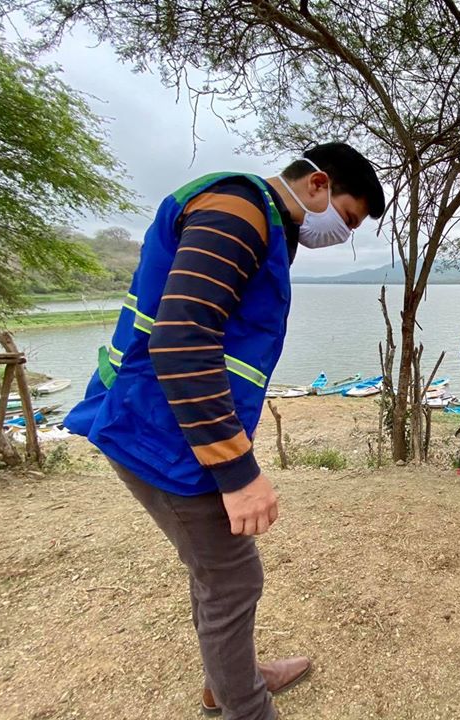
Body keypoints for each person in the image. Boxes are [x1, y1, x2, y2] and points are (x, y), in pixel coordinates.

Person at [65, 143, 385, 720]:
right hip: (162, 432)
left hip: (164, 423)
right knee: (233, 578)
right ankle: (246, 705)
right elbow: (181, 340)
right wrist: (238, 473)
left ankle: (228, 681)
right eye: (348, 217)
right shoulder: (239, 211)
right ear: (317, 184)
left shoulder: (259, 219)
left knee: (217, 572)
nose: (342, 234)